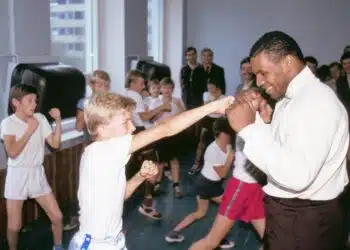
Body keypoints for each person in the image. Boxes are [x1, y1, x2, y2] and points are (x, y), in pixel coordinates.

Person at [226, 31, 349, 250]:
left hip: (305, 222)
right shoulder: (290, 99)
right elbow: (285, 153)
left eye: (263, 73)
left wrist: (249, 130)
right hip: (294, 216)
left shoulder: (315, 102)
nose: (259, 81)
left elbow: (297, 175)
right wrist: (262, 125)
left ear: (288, 62)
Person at [68, 92, 234, 249]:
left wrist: (140, 177)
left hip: (111, 241)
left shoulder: (97, 153)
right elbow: (165, 129)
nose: (132, 127)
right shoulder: (106, 151)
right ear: (102, 129)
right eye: (125, 122)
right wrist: (212, 107)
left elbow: (119, 195)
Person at [1, 84, 64, 250]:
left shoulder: (40, 118)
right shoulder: (8, 123)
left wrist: (57, 121)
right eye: (29, 100)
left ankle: (58, 247)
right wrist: (30, 130)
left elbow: (55, 144)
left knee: (57, 217)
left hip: (37, 173)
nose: (34, 104)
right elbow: (12, 152)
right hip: (17, 175)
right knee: (14, 226)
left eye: (35, 100)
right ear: (16, 102)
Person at [165, 118, 235, 249]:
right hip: (207, 185)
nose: (228, 137)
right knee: (229, 207)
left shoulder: (228, 145)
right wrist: (230, 159)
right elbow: (223, 174)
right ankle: (219, 238)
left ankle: (173, 233)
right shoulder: (212, 150)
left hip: (210, 184)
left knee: (200, 213)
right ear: (219, 134)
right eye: (226, 134)